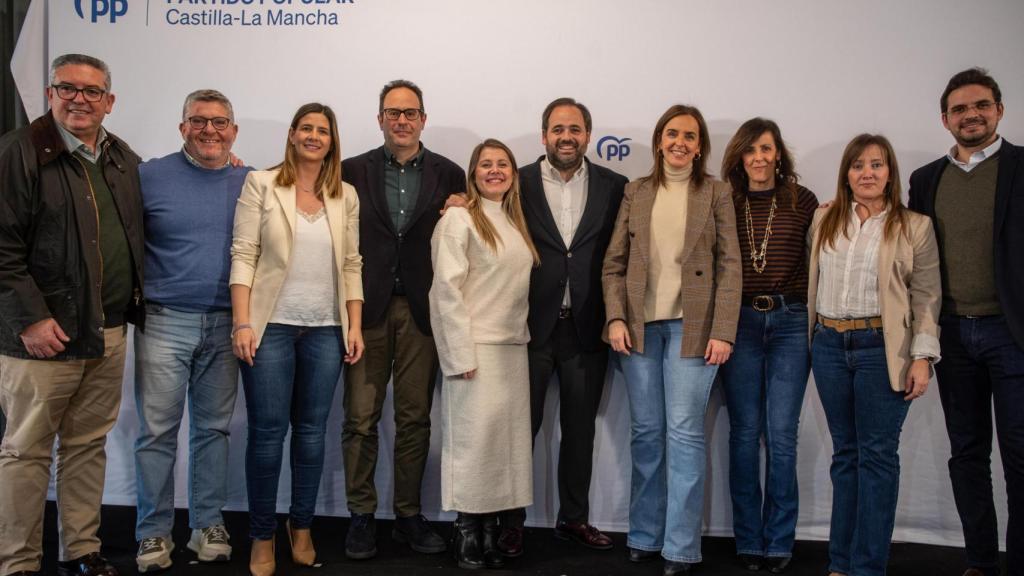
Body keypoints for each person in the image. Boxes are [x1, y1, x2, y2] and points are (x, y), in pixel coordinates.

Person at [0, 53, 144, 576]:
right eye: (68, 88)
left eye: (91, 91)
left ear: (110, 100)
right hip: (44, 337)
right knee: (26, 451)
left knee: (86, 447)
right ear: (49, 93)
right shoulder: (19, 154)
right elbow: (3, 249)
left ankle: (81, 550)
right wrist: (30, 320)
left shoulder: (121, 158)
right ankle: (18, 563)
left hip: (106, 331)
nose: (79, 99)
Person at [602, 104, 742, 576]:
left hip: (692, 329)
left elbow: (730, 267)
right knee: (646, 435)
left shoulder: (716, 193)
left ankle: (680, 548)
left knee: (683, 437)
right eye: (671, 133)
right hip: (640, 329)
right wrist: (616, 318)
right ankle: (644, 534)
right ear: (659, 140)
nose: (679, 142)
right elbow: (613, 264)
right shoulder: (635, 191)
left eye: (689, 136)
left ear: (700, 145)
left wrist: (722, 330)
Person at [230, 102, 364, 576]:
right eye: (305, 128)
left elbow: (351, 263)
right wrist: (243, 322)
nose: (313, 136)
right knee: (267, 437)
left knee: (311, 436)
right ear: (291, 135)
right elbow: (244, 253)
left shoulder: (344, 194)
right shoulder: (262, 184)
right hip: (271, 329)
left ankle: (301, 527)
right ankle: (262, 536)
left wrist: (354, 324)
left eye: (322, 130)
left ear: (332, 140)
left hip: (326, 329)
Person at [496, 97, 628, 556]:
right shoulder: (519, 181)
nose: (566, 137)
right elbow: (483, 212)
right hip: (528, 327)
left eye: (574, 129)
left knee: (580, 431)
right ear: (544, 135)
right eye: (557, 129)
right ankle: (510, 522)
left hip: (588, 327)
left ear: (588, 135)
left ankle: (574, 519)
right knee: (519, 429)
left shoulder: (616, 186)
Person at [340, 79, 465, 560]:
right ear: (379, 119)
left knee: (415, 419)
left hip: (422, 312)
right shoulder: (350, 171)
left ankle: (409, 513)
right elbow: (299, 186)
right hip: (363, 311)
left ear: (423, 120)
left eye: (410, 112)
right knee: (360, 419)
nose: (402, 120)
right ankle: (361, 516)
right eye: (393, 112)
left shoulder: (451, 175)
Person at [908, 67, 1024, 576]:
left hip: (1011, 333)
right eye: (959, 109)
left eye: (981, 105)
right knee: (967, 453)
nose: (970, 115)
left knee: (1020, 456)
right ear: (944, 119)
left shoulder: (1021, 167)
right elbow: (909, 249)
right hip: (951, 333)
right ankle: (980, 560)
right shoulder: (925, 179)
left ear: (999, 110)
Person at [808, 134, 941, 576]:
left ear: (890, 172)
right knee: (845, 455)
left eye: (877, 165)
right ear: (846, 172)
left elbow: (926, 297)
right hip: (828, 345)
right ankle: (840, 562)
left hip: (881, 350)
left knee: (878, 458)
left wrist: (922, 356)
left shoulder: (914, 226)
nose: (867, 172)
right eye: (858, 165)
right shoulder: (823, 220)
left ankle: (868, 567)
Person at [132, 89, 249, 573]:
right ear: (182, 127)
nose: (209, 131)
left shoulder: (252, 180)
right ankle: (152, 533)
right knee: (157, 433)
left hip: (226, 324)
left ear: (234, 132)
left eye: (220, 122)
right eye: (198, 121)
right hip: (163, 321)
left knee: (213, 432)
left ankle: (208, 525)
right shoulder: (146, 176)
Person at [429, 138, 539, 570]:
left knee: (501, 450)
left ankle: (491, 530)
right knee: (472, 447)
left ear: (514, 172)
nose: (495, 170)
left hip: (513, 349)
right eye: (486, 164)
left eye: (503, 164)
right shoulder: (459, 218)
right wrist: (458, 355)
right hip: (474, 350)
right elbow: (445, 291)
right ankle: (466, 530)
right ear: (472, 173)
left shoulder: (514, 220)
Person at [718, 118, 818, 574]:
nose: (759, 158)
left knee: (781, 436)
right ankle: (748, 538)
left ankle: (779, 539)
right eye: (750, 150)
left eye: (766, 149)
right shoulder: (726, 201)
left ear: (779, 154)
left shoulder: (803, 201)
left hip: (790, 322)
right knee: (743, 434)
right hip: (737, 321)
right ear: (740, 157)